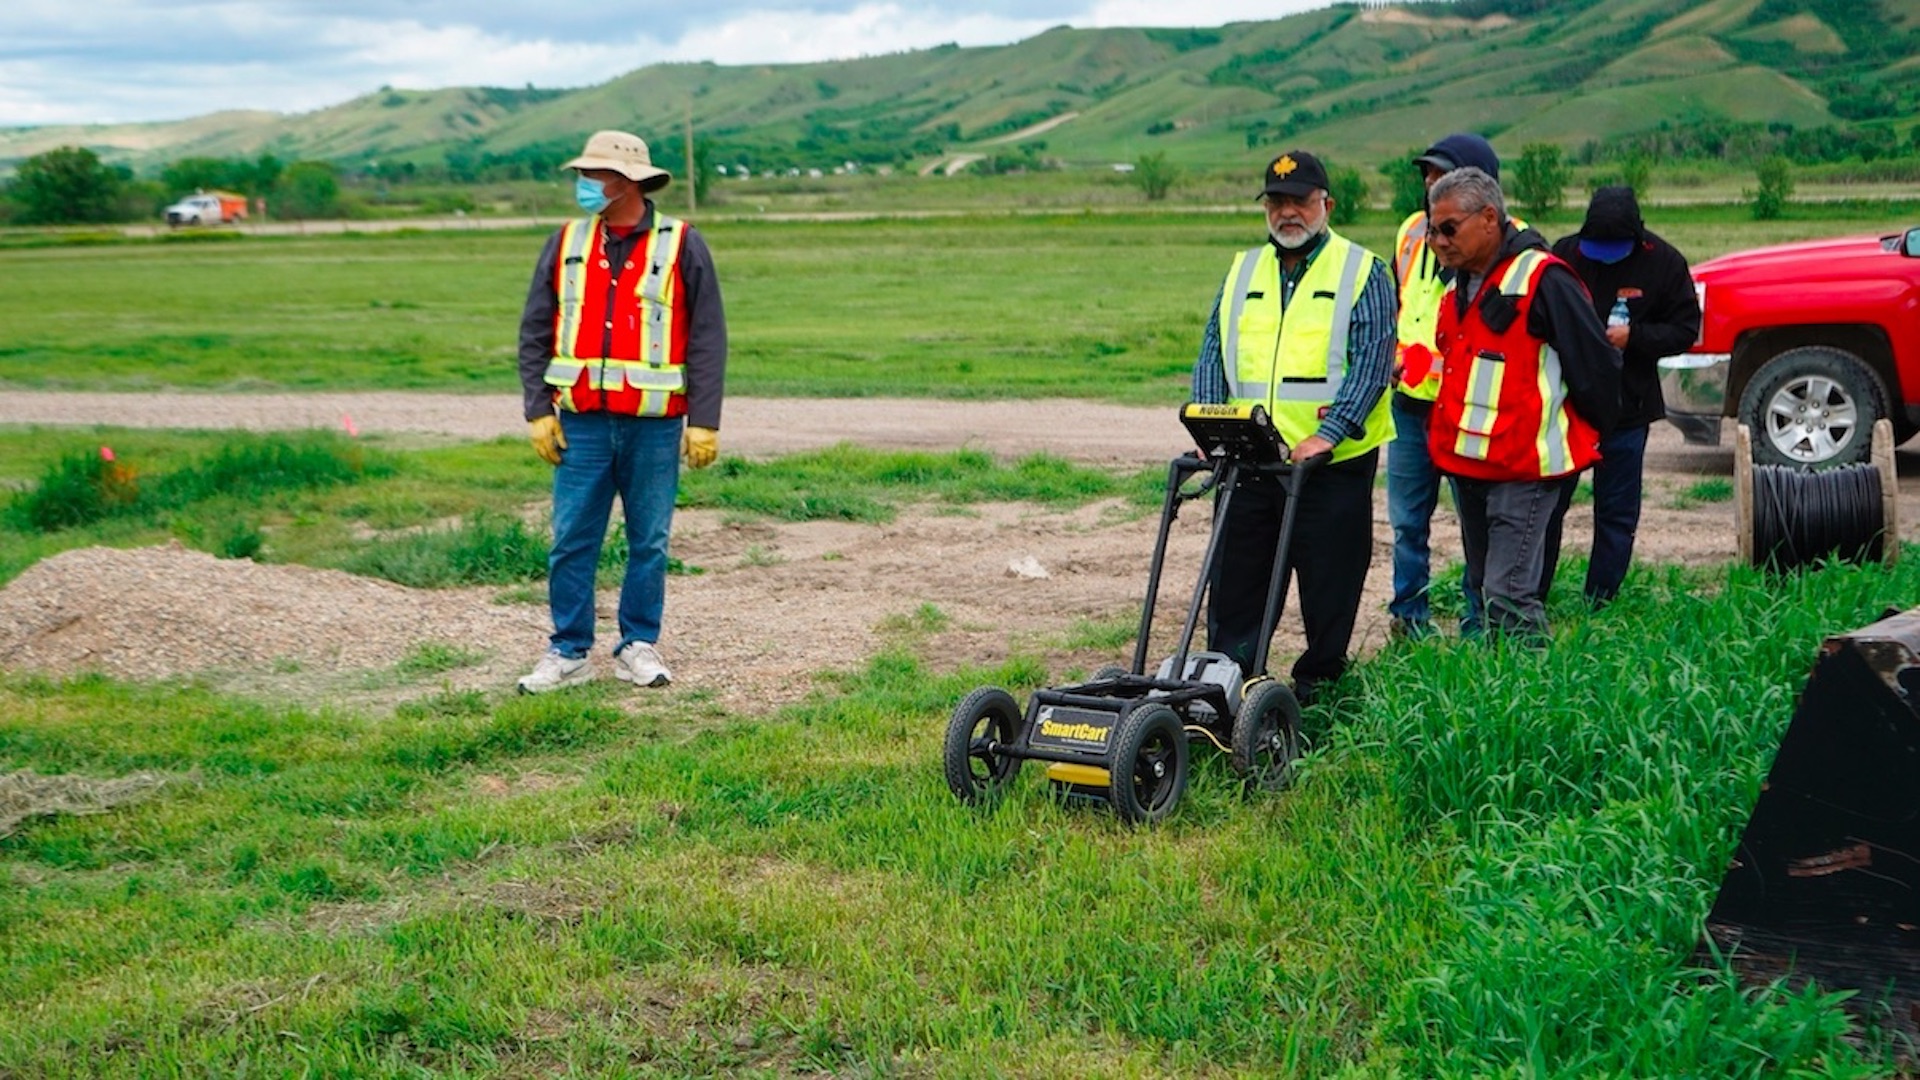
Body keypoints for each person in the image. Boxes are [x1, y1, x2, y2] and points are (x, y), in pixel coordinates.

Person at [515, 130, 727, 693]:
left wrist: (704, 419)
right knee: (571, 538)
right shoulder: (564, 243)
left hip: (653, 427)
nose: (584, 186)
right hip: (580, 422)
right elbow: (536, 329)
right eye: (582, 175)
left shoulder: (682, 243)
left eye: (595, 176)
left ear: (627, 182)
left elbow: (707, 336)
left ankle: (638, 643)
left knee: (649, 540)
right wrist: (538, 408)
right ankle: (567, 651)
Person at [1191, 150, 1396, 704]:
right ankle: (1226, 688)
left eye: (1300, 201)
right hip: (1251, 458)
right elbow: (1214, 350)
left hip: (1331, 465)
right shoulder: (1242, 270)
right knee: (1236, 581)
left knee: (1329, 583)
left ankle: (1318, 689)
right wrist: (1214, 424)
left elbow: (1373, 361)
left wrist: (1330, 435)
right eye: (1276, 202)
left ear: (1325, 204)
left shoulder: (1363, 270)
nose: (1288, 213)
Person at [1422, 167, 1619, 643]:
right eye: (1431, 229)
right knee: (1482, 588)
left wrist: (1585, 440)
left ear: (1489, 218)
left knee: (1508, 596)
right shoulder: (1459, 285)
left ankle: (1532, 704)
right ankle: (1495, 692)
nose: (1437, 241)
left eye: (1449, 228)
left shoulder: (1544, 279)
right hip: (1470, 466)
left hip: (1524, 469)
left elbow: (1596, 369)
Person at [1539, 185, 1701, 607]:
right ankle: (1532, 593)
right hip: (1566, 409)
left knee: (1615, 513)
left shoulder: (1664, 262)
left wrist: (1636, 338)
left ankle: (1600, 600)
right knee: (1548, 507)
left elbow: (1686, 329)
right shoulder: (1565, 254)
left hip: (1628, 410)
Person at [1386, 133, 1505, 639]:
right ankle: (1409, 621)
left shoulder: (1502, 247)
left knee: (1477, 527)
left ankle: (1478, 624)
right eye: (1427, 175)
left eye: (1442, 174)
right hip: (1411, 403)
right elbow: (1398, 299)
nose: (1430, 183)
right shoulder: (1412, 232)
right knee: (1407, 523)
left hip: (1467, 408)